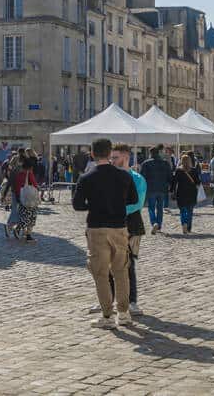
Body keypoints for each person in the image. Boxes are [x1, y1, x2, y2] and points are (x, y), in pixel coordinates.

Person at [72, 137, 137, 329]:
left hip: (97, 227)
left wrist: (94, 204)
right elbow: (132, 198)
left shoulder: (86, 177)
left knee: (100, 273)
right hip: (119, 226)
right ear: (110, 154)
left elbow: (77, 205)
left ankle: (107, 315)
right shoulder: (124, 176)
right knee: (121, 270)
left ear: (92, 153)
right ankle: (124, 313)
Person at [106, 143, 146, 317]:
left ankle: (132, 302)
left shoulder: (137, 178)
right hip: (110, 224)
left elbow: (138, 203)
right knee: (108, 265)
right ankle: (108, 300)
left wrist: (116, 209)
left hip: (131, 224)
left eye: (115, 157)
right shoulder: (108, 177)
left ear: (126, 157)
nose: (112, 161)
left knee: (128, 264)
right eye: (111, 157)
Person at [140, 146, 173, 235]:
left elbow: (142, 177)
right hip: (162, 188)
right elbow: (170, 176)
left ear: (151, 153)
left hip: (151, 189)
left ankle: (154, 222)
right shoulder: (165, 163)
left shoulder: (146, 163)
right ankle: (159, 224)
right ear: (158, 153)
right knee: (160, 208)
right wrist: (171, 187)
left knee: (151, 207)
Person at [170, 153, 201, 234]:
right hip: (192, 193)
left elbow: (174, 182)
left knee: (183, 210)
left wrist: (172, 191)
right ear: (190, 161)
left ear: (181, 161)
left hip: (181, 193)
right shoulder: (194, 170)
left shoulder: (178, 170)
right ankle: (189, 227)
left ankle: (184, 223)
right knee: (190, 211)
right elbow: (198, 182)